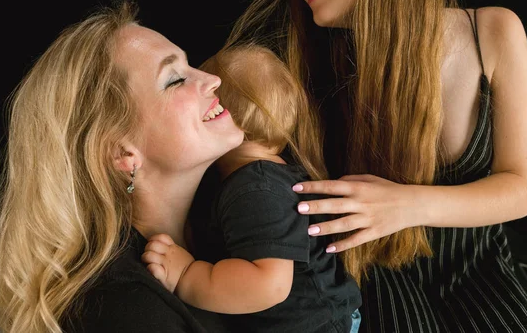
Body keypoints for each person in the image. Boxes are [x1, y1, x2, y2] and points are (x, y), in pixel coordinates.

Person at [218, 0, 527, 332]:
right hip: (367, 284)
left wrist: (406, 205)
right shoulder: (302, 66)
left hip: (478, 272)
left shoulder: (496, 31)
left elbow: (520, 189)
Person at [0, 0, 245, 333]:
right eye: (175, 79)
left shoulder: (231, 220)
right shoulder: (121, 309)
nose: (211, 79)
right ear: (123, 152)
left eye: (189, 65)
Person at [142, 44, 363, 333]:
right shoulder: (264, 178)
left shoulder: (256, 187)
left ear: (220, 114)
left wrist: (187, 275)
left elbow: (268, 285)